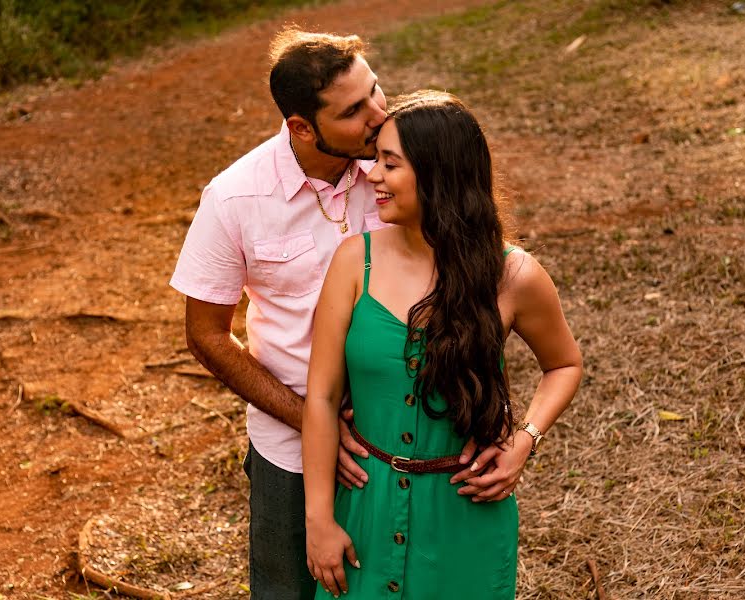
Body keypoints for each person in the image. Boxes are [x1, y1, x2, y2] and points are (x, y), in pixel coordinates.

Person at [302, 91, 584, 599]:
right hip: (366, 507)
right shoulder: (353, 262)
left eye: (391, 164)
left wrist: (525, 440)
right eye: (375, 160)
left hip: (464, 515)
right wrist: (319, 519)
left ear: (439, 174)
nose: (372, 175)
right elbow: (321, 398)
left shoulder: (514, 274)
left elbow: (563, 364)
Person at [170, 28, 390, 599]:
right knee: (287, 591)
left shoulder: (399, 166)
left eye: (376, 91)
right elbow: (207, 336)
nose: (378, 114)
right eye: (353, 110)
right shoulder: (234, 198)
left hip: (401, 432)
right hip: (288, 448)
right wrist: (310, 422)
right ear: (301, 127)